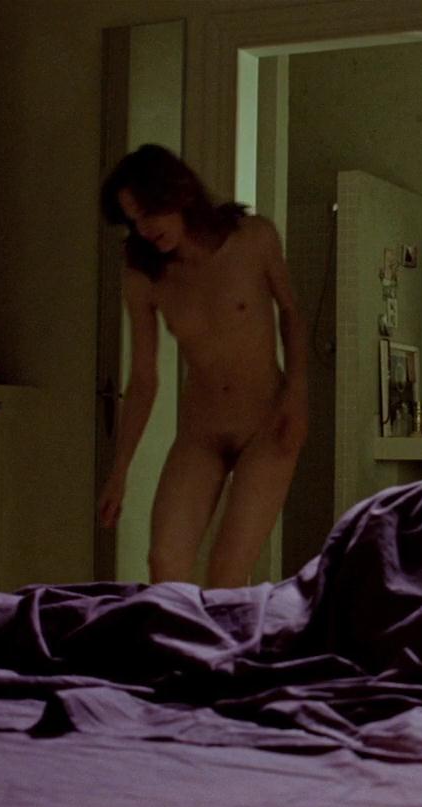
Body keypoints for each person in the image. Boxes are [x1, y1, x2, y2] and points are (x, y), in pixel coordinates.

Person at [96, 144, 306, 588]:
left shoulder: (253, 238)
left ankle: (229, 637)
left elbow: (290, 311)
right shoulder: (143, 276)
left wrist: (298, 395)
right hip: (201, 431)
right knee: (164, 563)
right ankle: (174, 636)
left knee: (226, 573)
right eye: (133, 220)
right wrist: (120, 471)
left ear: (176, 192)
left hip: (266, 424)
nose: (144, 228)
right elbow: (144, 379)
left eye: (149, 212)